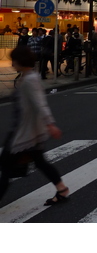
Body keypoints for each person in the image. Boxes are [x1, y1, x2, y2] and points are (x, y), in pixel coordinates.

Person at [0, 46, 69, 206]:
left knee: (6, 165)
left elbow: (40, 103)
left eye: (14, 60)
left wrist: (50, 124)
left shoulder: (30, 80)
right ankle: (62, 190)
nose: (12, 64)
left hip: (26, 133)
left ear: (20, 61)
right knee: (39, 162)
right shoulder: (28, 77)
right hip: (26, 130)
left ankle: (62, 190)